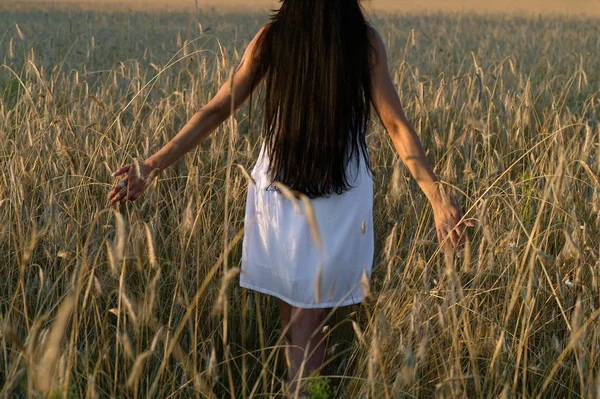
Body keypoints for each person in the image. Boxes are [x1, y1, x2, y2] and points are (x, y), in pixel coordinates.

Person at [107, 0, 472, 395]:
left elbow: (216, 110)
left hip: (280, 193)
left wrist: (152, 165)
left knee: (300, 322)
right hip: (339, 197)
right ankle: (308, 388)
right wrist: (436, 197)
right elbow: (396, 125)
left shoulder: (272, 40)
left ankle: (303, 389)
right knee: (306, 323)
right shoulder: (363, 41)